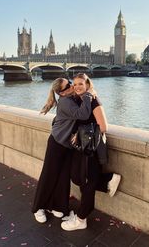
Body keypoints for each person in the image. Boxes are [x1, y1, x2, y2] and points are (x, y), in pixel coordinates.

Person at [61, 73, 121, 231]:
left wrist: (81, 134)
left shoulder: (94, 100)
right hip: (81, 148)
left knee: (87, 183)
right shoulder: (79, 100)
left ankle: (81, 219)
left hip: (91, 149)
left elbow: (103, 126)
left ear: (88, 85)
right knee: (78, 177)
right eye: (75, 84)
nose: (77, 86)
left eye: (81, 83)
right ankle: (108, 179)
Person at [32, 77, 93, 223]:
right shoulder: (66, 102)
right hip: (57, 143)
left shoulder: (71, 98)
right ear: (62, 93)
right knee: (49, 175)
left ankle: (58, 206)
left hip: (66, 145)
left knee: (63, 177)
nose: (72, 85)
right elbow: (82, 114)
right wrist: (88, 96)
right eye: (68, 85)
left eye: (70, 83)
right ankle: (38, 207)